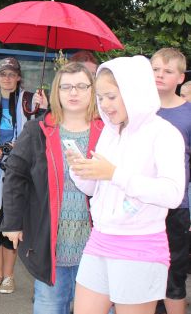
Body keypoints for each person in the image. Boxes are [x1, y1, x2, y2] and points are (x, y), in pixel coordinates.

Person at [69, 56, 185, 313]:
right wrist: (80, 170)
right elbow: (94, 190)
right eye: (100, 97)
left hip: (140, 246)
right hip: (99, 239)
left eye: (111, 96)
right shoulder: (110, 132)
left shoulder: (164, 133)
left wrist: (114, 174)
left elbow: (173, 193)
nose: (104, 105)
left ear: (134, 92)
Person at [1, 62, 103, 313]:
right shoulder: (37, 130)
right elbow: (15, 176)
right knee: (50, 306)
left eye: (81, 86)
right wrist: (12, 222)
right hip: (50, 241)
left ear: (92, 90)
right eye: (66, 87)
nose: (73, 92)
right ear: (56, 91)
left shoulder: (108, 131)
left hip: (98, 245)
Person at [0, 57, 46, 294]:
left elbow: (43, 127)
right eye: (3, 74)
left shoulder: (29, 101)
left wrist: (43, 108)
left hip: (17, 176)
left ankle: (9, 275)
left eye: (12, 74)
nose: (7, 78)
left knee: (12, 223)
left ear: (18, 77)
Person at [150, 48, 191, 314]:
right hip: (138, 204)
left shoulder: (188, 113)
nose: (160, 75)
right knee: (140, 274)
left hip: (177, 207)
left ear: (181, 77)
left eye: (167, 71)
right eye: (155, 69)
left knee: (173, 277)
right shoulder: (136, 109)